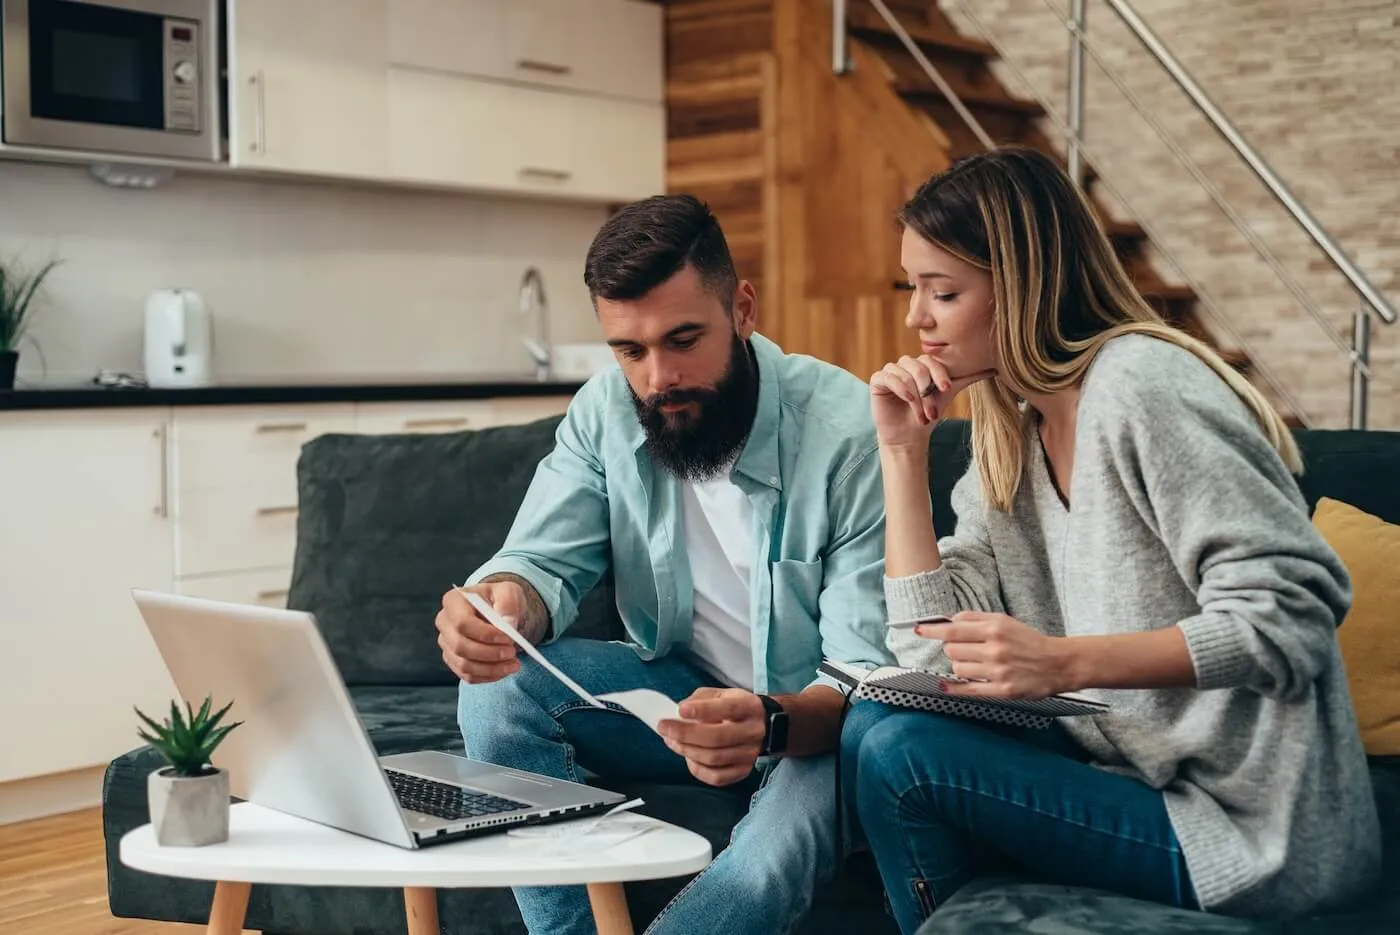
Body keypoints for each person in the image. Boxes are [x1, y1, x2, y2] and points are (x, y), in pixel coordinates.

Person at [840, 147, 1382, 934]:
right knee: (871, 726)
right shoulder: (1014, 432)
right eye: (913, 288)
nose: (915, 318)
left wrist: (1063, 662)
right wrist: (901, 455)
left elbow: (1291, 619)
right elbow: (926, 653)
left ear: (1023, 286)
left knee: (902, 759)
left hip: (1253, 832)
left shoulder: (1141, 388)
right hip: (1132, 779)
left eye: (943, 291)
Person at [436, 193, 893, 935]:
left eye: (684, 339)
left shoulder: (846, 432)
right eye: (630, 350)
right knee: (494, 693)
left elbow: (866, 675)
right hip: (687, 697)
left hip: (822, 726)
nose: (658, 377)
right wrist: (500, 606)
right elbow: (537, 560)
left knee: (758, 870)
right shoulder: (606, 410)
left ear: (743, 309)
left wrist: (770, 724)